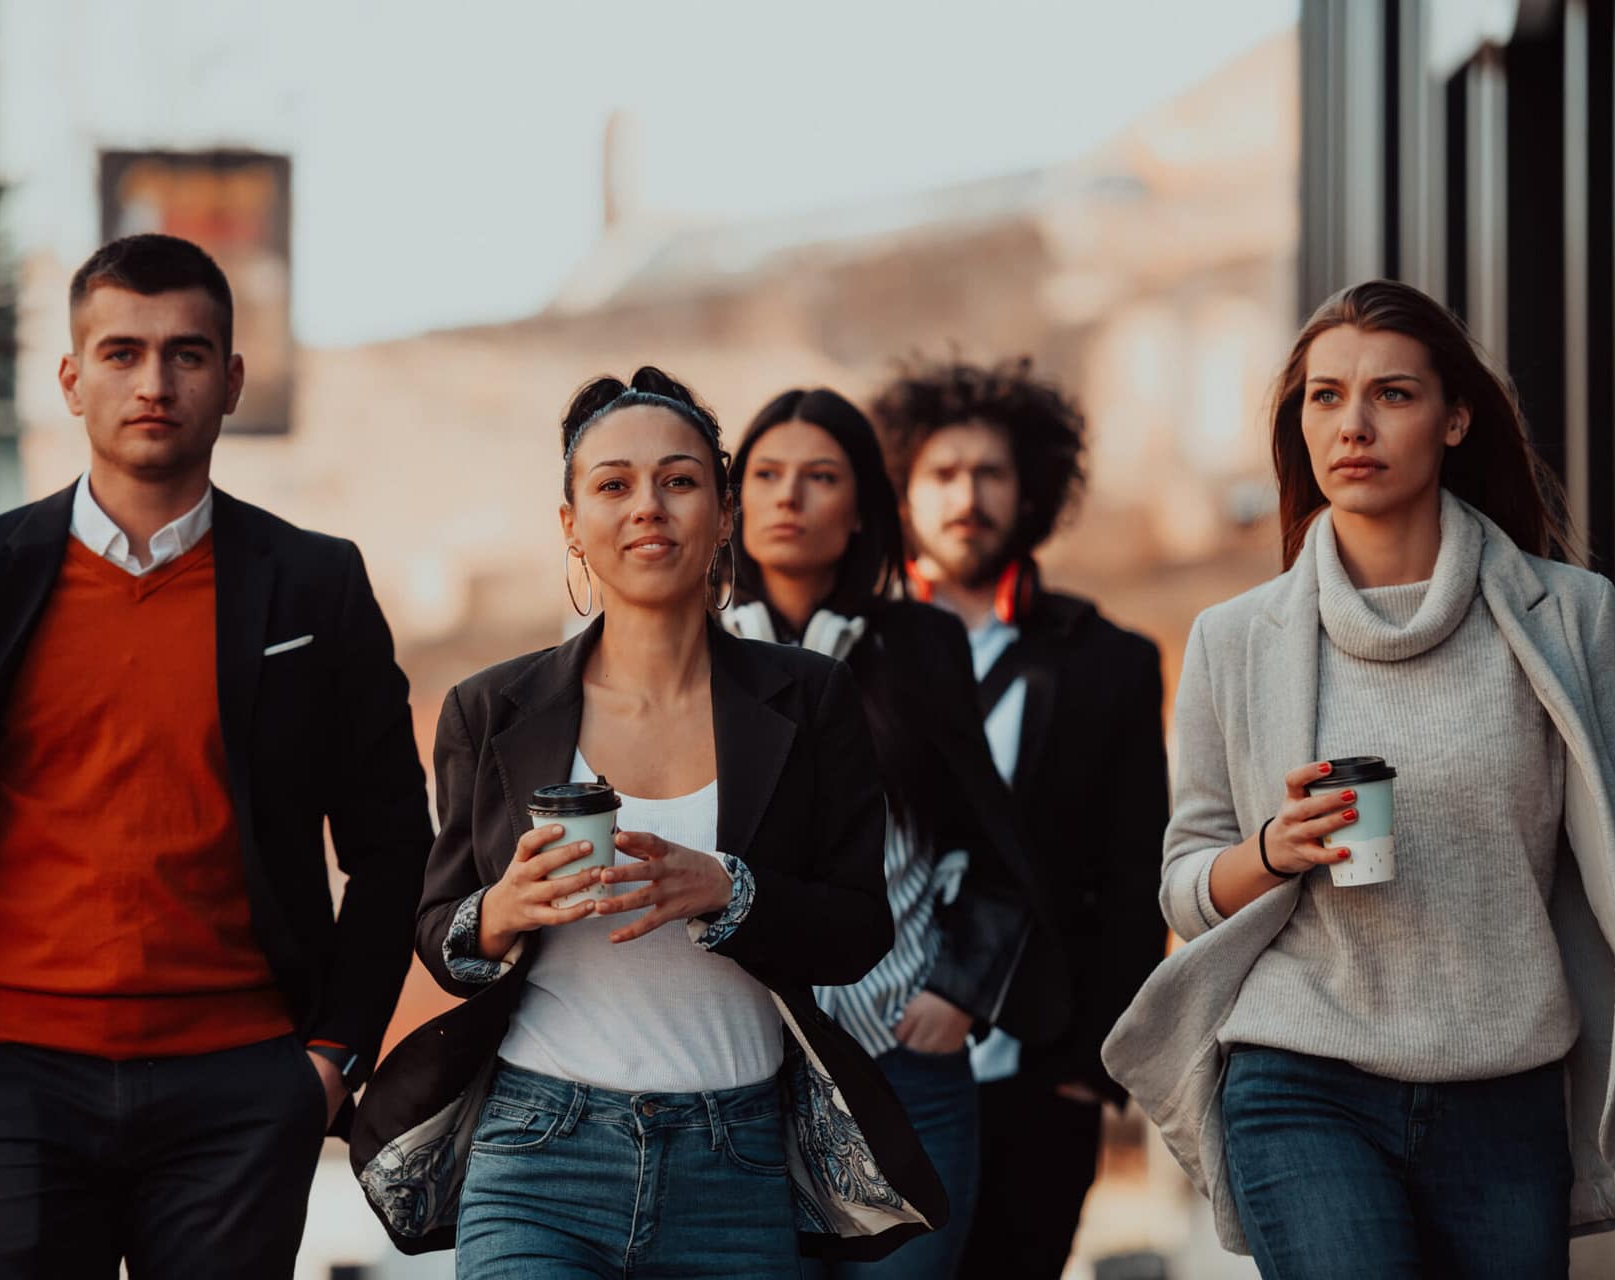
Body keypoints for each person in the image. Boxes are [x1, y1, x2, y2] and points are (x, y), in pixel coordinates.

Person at [0, 234, 436, 1279]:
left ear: (230, 379)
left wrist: (328, 1060)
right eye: (121, 352)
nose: (155, 381)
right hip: (7, 1082)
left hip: (240, 1085)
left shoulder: (313, 584)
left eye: (187, 353)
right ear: (72, 379)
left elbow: (395, 843)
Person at [1103, 279, 1615, 1278]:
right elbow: (1185, 885)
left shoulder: (1567, 618)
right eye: (1323, 397)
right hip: (1300, 1079)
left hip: (1504, 1089)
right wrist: (1274, 848)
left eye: (1389, 395)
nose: (1350, 424)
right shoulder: (1232, 639)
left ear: (1453, 417)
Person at [348, 367, 946, 1277]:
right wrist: (503, 910)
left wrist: (729, 891)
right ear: (570, 525)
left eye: (678, 480)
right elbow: (440, 934)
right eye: (613, 485)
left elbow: (859, 930)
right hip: (537, 1151)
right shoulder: (491, 707)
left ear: (720, 513)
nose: (647, 508)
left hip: (736, 1160)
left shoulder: (812, 695)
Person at [721, 386, 1068, 1276]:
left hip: (905, 1069)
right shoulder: (689, 650)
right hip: (733, 1071)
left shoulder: (917, 644)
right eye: (764, 474)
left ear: (861, 510)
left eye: (818, 476)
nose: (787, 497)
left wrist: (962, 990)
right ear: (733, 502)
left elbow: (995, 845)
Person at [871, 356, 1169, 1279]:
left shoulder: (1108, 661)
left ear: (1030, 488)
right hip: (877, 1060)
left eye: (990, 473)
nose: (967, 495)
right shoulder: (847, 651)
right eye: (942, 474)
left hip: (1040, 1075)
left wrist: (1093, 1065)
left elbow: (1131, 872)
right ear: (902, 494)